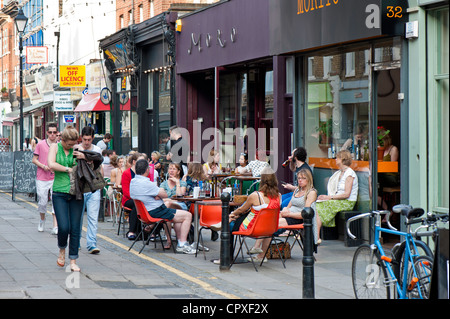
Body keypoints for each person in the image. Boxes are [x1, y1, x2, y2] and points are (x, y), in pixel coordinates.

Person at [212, 167, 281, 263]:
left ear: (261, 180)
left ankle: (225, 258)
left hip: (252, 228)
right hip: (269, 229)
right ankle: (261, 256)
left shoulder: (255, 195)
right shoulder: (278, 196)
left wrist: (232, 214)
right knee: (239, 217)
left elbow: (241, 209)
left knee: (227, 226)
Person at [130, 159, 196, 254]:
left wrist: (158, 195)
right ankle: (182, 244)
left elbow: (162, 194)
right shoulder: (147, 183)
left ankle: (178, 241)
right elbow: (164, 194)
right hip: (156, 211)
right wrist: (158, 195)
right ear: (147, 170)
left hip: (145, 213)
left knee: (178, 214)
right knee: (187, 215)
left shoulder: (133, 182)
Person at [48, 125, 84, 272]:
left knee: (75, 228)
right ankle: (62, 249)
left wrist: (83, 157)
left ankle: (73, 260)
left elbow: (89, 165)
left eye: (74, 143)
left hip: (77, 192)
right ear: (63, 140)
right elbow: (51, 164)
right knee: (63, 227)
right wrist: (68, 169)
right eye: (69, 144)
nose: (72, 146)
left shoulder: (77, 149)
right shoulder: (55, 147)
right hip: (59, 192)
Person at [316, 150, 358, 239]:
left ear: (342, 159)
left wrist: (329, 197)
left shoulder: (350, 174)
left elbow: (347, 194)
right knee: (316, 204)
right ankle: (316, 235)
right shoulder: (340, 172)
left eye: (337, 158)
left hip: (347, 202)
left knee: (319, 205)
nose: (335, 159)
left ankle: (316, 236)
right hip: (339, 200)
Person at [77, 126, 103, 254]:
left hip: (93, 188)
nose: (86, 142)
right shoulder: (76, 148)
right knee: (78, 218)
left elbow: (99, 166)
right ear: (81, 137)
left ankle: (92, 244)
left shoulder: (97, 149)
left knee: (93, 218)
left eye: (89, 140)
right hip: (80, 188)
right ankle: (76, 242)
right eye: (84, 139)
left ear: (93, 138)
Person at [277, 168, 319, 244]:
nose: (300, 180)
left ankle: (261, 250)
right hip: (289, 214)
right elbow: (289, 205)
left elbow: (305, 213)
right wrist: (285, 209)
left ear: (309, 179)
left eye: (303, 178)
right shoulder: (297, 190)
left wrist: (289, 214)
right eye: (299, 178)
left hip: (298, 218)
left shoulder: (311, 192)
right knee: (268, 219)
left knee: (273, 224)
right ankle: (260, 247)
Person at [32, 122, 58, 234]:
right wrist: (43, 166)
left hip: (55, 177)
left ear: (57, 133)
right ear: (47, 133)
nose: (52, 134)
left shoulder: (59, 145)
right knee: (42, 202)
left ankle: (55, 226)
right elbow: (34, 159)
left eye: (54, 132)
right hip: (42, 177)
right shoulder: (41, 144)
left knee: (56, 201)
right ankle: (42, 219)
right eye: (50, 132)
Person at [121, 152, 147, 240]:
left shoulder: (145, 172)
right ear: (134, 162)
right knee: (137, 204)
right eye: (140, 161)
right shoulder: (126, 173)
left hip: (142, 199)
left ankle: (146, 231)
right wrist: (138, 197)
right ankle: (133, 231)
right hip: (129, 200)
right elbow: (126, 192)